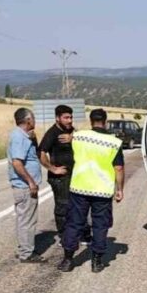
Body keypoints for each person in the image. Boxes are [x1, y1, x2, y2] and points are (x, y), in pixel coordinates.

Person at [57, 109, 124, 274]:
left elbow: (70, 141)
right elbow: (119, 168)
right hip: (102, 191)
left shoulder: (79, 136)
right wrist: (119, 189)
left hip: (79, 188)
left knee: (74, 223)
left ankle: (67, 259)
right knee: (100, 225)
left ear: (91, 120)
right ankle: (96, 262)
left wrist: (72, 137)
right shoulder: (114, 142)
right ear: (105, 121)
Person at [38, 104, 90, 243]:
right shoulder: (52, 133)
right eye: (66, 117)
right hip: (60, 178)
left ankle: (83, 233)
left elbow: (83, 138)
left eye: (71, 117)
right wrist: (53, 169)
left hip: (75, 175)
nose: (69, 120)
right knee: (63, 206)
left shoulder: (72, 131)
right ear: (57, 118)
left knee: (79, 204)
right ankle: (63, 235)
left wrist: (73, 137)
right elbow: (41, 153)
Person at [7, 107, 44, 263]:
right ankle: (26, 253)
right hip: (24, 186)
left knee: (25, 219)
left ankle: (25, 247)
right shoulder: (18, 137)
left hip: (24, 185)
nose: (34, 121)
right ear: (28, 120)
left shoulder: (23, 136)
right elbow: (17, 162)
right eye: (33, 118)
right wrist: (30, 182)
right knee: (27, 220)